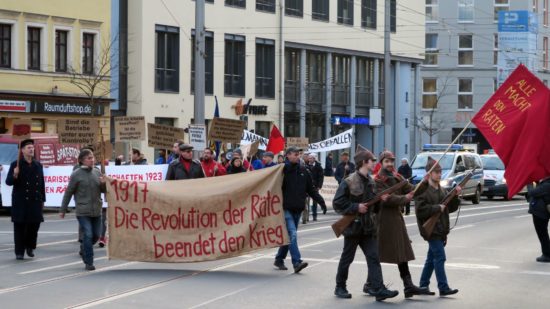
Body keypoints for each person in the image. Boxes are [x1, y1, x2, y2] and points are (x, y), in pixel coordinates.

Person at [332, 146, 399, 301]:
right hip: (353, 226)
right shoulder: (348, 181)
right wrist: (356, 207)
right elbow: (338, 204)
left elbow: (373, 207)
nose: (374, 163)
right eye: (371, 161)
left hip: (368, 227)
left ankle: (378, 288)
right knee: (347, 259)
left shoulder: (370, 180)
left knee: (374, 257)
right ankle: (340, 286)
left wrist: (379, 201)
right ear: (363, 162)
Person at [374, 151, 432, 298]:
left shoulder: (398, 176)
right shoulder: (378, 179)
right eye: (387, 161)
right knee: (377, 254)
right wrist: (404, 198)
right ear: (381, 162)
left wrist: (424, 183)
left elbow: (413, 190)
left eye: (392, 161)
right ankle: (372, 284)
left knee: (402, 252)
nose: (390, 164)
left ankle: (408, 285)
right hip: (384, 219)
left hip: (396, 219)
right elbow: (386, 199)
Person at [274, 147, 327, 274]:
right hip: (285, 208)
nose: (298, 156)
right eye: (295, 154)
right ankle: (296, 262)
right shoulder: (282, 170)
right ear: (288, 156)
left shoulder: (304, 170)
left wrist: (321, 202)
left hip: (298, 208)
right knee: (292, 234)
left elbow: (311, 189)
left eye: (299, 154)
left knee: (289, 236)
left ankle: (279, 259)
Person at [414, 157, 462, 296]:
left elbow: (450, 208)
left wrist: (456, 196)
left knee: (431, 259)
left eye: (440, 171)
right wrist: (436, 208)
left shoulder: (442, 190)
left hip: (440, 229)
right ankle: (443, 287)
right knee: (440, 257)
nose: (440, 174)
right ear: (429, 174)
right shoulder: (422, 190)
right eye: (436, 172)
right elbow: (420, 211)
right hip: (431, 230)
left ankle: (423, 286)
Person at [59, 149, 105, 270]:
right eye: (89, 158)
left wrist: (103, 184)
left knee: (96, 235)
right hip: (83, 211)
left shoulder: (97, 172)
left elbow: (104, 191)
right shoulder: (76, 174)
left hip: (96, 210)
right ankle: (89, 261)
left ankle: (85, 247)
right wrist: (63, 209)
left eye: (93, 157)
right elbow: (69, 192)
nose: (92, 160)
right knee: (88, 234)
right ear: (82, 160)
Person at [5, 139, 45, 260]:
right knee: (19, 227)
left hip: (35, 201)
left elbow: (41, 183)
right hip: (21, 201)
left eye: (32, 147)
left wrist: (43, 200)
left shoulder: (38, 165)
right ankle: (19, 252)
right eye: (28, 148)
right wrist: (15, 174)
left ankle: (30, 246)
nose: (31, 149)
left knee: (34, 225)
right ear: (22, 150)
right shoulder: (15, 164)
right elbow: (8, 182)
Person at [526, 176, 550, 262]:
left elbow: (532, 193)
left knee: (542, 233)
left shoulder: (547, 184)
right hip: (541, 212)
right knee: (543, 233)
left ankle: (547, 254)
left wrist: (529, 183)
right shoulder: (544, 183)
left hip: (540, 213)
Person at [305, 153, 326, 221]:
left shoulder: (318, 166)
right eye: (309, 158)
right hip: (307, 186)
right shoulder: (306, 166)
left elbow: (321, 177)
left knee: (315, 201)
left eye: (311, 158)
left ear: (314, 159)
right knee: (306, 202)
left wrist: (319, 186)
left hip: (315, 186)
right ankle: (306, 216)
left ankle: (314, 215)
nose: (309, 159)